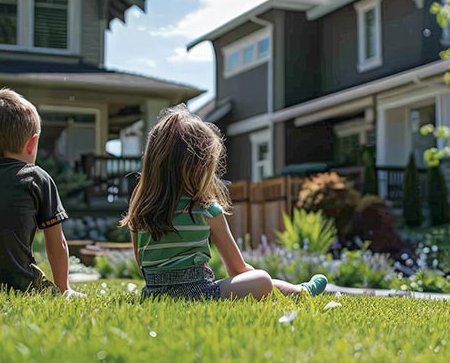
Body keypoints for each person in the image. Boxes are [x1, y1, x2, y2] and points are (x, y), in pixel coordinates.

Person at [120, 105, 328, 300]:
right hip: (199, 293)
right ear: (200, 168)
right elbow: (237, 270)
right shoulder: (205, 210)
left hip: (154, 294)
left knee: (258, 281)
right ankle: (300, 292)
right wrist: (257, 281)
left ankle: (299, 290)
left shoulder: (140, 211)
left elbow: (144, 268)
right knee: (261, 279)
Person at [0, 88, 84, 298]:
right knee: (48, 290)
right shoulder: (37, 178)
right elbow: (57, 244)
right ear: (32, 143)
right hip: (19, 286)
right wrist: (64, 288)